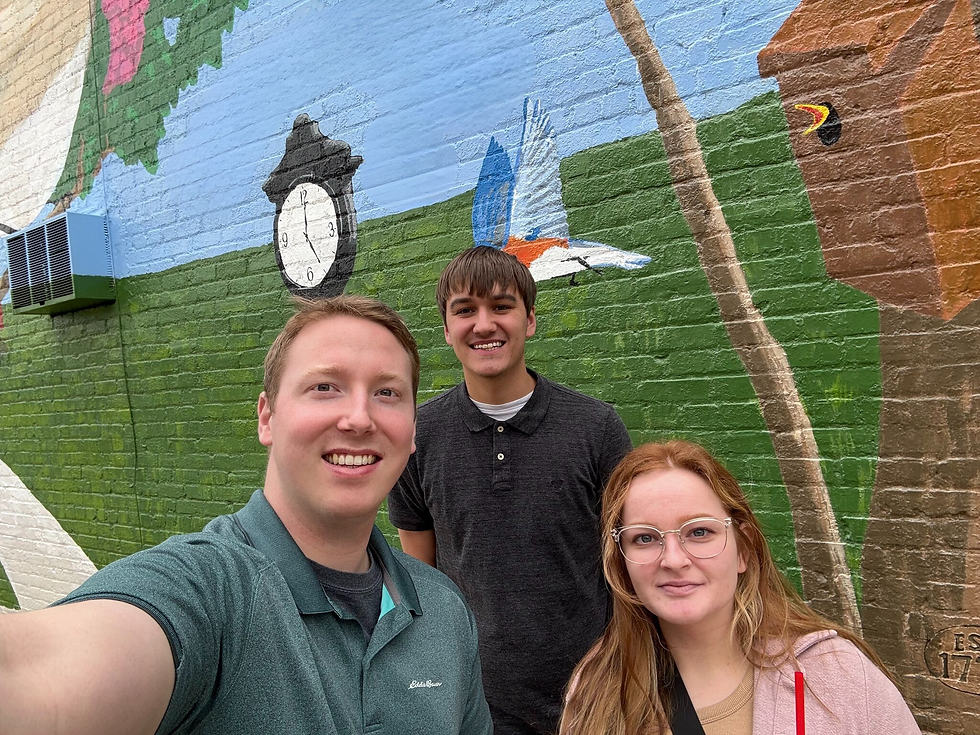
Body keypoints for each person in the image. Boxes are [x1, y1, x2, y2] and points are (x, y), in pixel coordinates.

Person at [0, 295, 493, 735]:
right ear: (267, 417)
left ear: (412, 430)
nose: (360, 418)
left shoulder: (444, 609)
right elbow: (39, 676)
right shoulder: (208, 589)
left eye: (387, 393)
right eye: (325, 387)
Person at [388, 246, 633, 735]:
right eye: (465, 310)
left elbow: (629, 564)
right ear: (446, 329)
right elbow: (421, 584)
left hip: (593, 698)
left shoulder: (596, 427)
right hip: (475, 706)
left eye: (501, 306)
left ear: (530, 320)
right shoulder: (416, 437)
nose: (484, 325)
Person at [559, 440, 922, 735]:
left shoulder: (838, 676)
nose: (673, 559)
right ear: (622, 562)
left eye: (699, 532)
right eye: (644, 538)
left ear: (743, 549)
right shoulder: (598, 690)